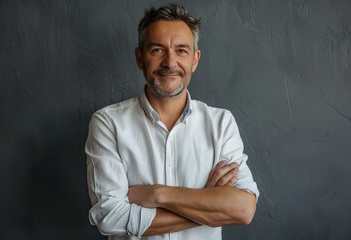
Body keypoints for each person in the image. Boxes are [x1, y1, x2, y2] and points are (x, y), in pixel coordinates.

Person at [85, 3, 259, 240]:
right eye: (157, 50)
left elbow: (244, 209)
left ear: (195, 60)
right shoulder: (108, 123)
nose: (169, 62)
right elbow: (110, 217)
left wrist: (158, 195)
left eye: (181, 51)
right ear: (139, 57)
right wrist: (209, 206)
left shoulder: (221, 123)